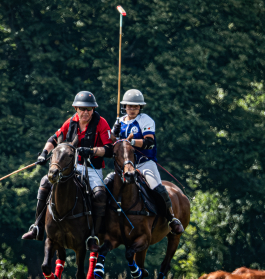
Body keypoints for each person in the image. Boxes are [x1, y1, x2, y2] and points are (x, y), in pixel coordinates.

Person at [22, 91, 113, 252]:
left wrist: (92, 151)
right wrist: (44, 154)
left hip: (93, 169)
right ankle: (37, 227)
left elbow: (109, 149)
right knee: (45, 183)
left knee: (99, 194)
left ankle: (94, 236)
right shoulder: (71, 121)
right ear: (76, 108)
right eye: (83, 109)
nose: (86, 112)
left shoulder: (101, 123)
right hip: (71, 168)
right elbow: (54, 139)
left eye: (89, 109)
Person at [112, 89, 184, 235]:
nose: (132, 109)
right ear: (124, 106)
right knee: (107, 185)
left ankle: (171, 218)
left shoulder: (145, 120)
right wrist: (113, 133)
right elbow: (111, 143)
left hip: (144, 163)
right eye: (129, 106)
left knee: (157, 187)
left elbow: (149, 142)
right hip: (125, 166)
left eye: (135, 107)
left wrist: (130, 141)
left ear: (140, 108)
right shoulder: (119, 121)